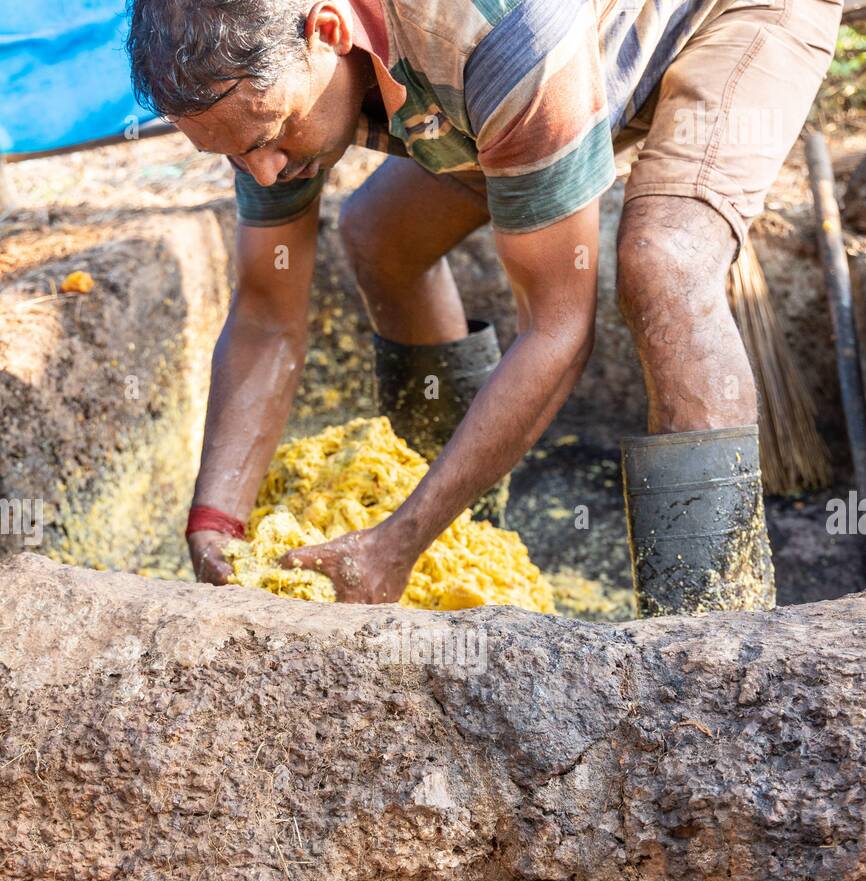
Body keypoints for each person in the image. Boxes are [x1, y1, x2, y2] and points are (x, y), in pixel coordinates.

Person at [128, 0, 841, 614]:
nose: (264, 172)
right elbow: (265, 313)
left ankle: (708, 637)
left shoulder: (496, 36)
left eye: (268, 140)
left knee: (664, 266)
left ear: (326, 31)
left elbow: (558, 327)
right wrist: (214, 519)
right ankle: (466, 528)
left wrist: (397, 541)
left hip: (726, 18)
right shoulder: (258, 97)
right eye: (231, 156)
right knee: (381, 235)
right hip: (547, 75)